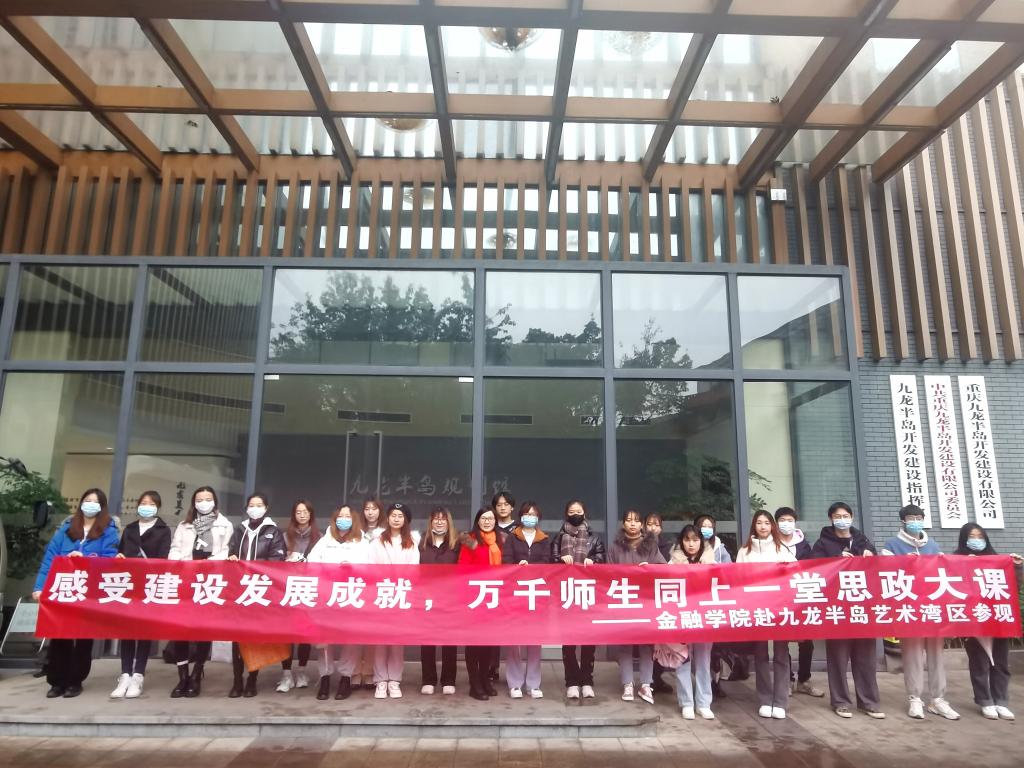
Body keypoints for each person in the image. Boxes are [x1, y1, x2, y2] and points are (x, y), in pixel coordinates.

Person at [33, 488, 120, 699]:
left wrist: (86, 560)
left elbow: (110, 560)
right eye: (87, 500)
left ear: (102, 506)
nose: (90, 504)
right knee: (59, 634)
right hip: (63, 587)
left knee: (83, 636)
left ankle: (75, 680)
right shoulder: (66, 528)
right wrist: (39, 587)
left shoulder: (108, 530)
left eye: (95, 501)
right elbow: (50, 558)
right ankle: (56, 681)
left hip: (89, 590)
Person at [880, 504, 960, 721]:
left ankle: (938, 699)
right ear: (903, 521)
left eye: (919, 517)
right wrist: (904, 564)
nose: (915, 521)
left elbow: (943, 572)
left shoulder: (932, 545)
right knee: (912, 655)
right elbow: (885, 573)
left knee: (936, 655)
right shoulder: (892, 545)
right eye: (911, 518)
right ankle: (914, 698)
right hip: (908, 609)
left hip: (932, 608)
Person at [811, 501, 885, 719]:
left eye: (845, 516)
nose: (842, 519)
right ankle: (841, 701)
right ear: (831, 519)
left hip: (863, 608)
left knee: (866, 659)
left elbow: (878, 570)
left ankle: (869, 702)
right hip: (837, 609)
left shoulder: (863, 541)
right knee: (838, 658)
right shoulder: (823, 543)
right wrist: (836, 561)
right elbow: (813, 568)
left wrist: (871, 558)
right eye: (837, 516)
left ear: (851, 517)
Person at [167, 486, 234, 698]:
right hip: (186, 580)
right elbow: (175, 548)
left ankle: (197, 674)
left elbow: (226, 551)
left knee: (204, 629)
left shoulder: (224, 524)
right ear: (194, 503)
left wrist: (209, 563)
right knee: (180, 629)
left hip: (209, 582)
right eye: (200, 499)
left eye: (208, 499)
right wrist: (179, 562)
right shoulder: (184, 525)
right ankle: (182, 676)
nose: (204, 503)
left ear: (214, 502)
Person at [953, 522, 1023, 721]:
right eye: (972, 537)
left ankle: (1001, 701)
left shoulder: (995, 558)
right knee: (979, 662)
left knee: (1000, 661)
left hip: (997, 618)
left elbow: (1013, 586)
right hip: (974, 619)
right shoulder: (956, 558)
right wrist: (964, 565)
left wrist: (1017, 567)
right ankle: (985, 700)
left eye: (980, 536)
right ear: (964, 539)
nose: (976, 540)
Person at [111, 490, 171, 699]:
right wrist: (120, 558)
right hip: (128, 584)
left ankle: (138, 674)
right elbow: (120, 552)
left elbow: (163, 559)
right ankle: (125, 674)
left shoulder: (163, 530)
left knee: (144, 629)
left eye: (151, 503)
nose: (147, 506)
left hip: (148, 585)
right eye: (144, 503)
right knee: (127, 630)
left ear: (158, 507)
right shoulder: (130, 528)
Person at [306, 504, 370, 700]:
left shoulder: (362, 541)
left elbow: (370, 567)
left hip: (351, 595)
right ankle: (325, 677)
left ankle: (345, 678)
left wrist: (353, 568)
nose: (344, 519)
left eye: (347, 516)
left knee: (350, 637)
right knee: (324, 639)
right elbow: (311, 563)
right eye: (340, 516)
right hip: (327, 595)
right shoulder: (325, 540)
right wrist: (327, 570)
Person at [227, 493, 287, 698]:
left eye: (259, 505)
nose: (255, 508)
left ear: (266, 508)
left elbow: (278, 560)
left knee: (254, 637)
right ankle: (237, 680)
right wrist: (232, 558)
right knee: (237, 637)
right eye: (251, 505)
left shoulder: (273, 531)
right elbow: (231, 551)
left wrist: (257, 569)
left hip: (260, 590)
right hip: (239, 589)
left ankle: (252, 679)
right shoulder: (240, 529)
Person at [736, 510, 795, 719]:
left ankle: (780, 701)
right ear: (754, 525)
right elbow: (737, 579)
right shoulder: (744, 551)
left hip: (779, 608)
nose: (763, 526)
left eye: (767, 523)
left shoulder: (782, 549)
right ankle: (765, 698)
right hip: (756, 609)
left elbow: (795, 574)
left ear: (772, 526)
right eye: (759, 523)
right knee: (760, 654)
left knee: (781, 654)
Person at [608, 509, 665, 705]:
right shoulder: (615, 547)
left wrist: (650, 569)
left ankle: (646, 684)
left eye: (636, 521)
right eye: (628, 520)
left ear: (642, 525)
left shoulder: (651, 546)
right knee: (625, 644)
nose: (632, 524)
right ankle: (627, 683)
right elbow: (607, 573)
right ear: (623, 524)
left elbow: (664, 568)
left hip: (646, 600)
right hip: (623, 600)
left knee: (646, 644)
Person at [550, 498, 605, 700]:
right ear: (567, 514)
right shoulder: (558, 538)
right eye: (572, 511)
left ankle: (587, 680)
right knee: (569, 642)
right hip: (566, 595)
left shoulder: (594, 539)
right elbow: (550, 563)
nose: (575, 515)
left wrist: (594, 561)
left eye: (579, 511)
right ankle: (571, 681)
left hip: (588, 595)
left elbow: (603, 560)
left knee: (589, 641)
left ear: (584, 513)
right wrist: (560, 560)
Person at [774, 506, 825, 699]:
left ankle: (804, 680)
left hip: (801, 597)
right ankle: (787, 679)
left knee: (806, 641)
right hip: (779, 598)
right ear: (776, 523)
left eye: (790, 520)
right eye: (782, 520)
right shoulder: (772, 543)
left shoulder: (804, 545)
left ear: (795, 523)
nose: (786, 524)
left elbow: (813, 568)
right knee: (782, 641)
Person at [370, 502, 420, 699]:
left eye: (400, 516)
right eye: (393, 515)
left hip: (401, 594)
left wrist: (400, 581)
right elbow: (371, 566)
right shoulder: (377, 541)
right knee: (380, 640)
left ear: (406, 520)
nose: (396, 519)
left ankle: (394, 680)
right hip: (381, 594)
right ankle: (380, 680)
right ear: (388, 518)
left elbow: (414, 568)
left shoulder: (412, 542)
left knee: (397, 640)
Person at [501, 501, 549, 699]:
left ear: (538, 518)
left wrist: (533, 567)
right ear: (521, 517)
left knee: (534, 640)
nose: (530, 517)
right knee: (514, 639)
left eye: (533, 514)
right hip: (515, 593)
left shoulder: (544, 539)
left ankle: (533, 684)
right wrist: (517, 566)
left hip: (536, 594)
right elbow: (506, 561)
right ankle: (514, 683)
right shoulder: (513, 538)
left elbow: (547, 562)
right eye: (527, 514)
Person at [458, 506, 504, 700]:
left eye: (490, 518)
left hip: (494, 597)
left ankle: (485, 679)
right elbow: (463, 567)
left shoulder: (500, 540)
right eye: (483, 518)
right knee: (474, 643)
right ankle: (474, 683)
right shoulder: (470, 540)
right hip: (475, 597)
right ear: (478, 521)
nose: (487, 522)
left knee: (489, 643)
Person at [668, 524, 715, 720]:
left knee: (703, 661)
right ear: (681, 542)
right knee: (683, 660)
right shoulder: (672, 562)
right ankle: (686, 702)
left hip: (704, 618)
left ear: (701, 542)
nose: (691, 544)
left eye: (695, 540)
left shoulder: (712, 562)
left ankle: (704, 703)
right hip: (682, 617)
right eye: (687, 540)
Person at [276, 499, 321, 693]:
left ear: (311, 514)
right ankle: (286, 674)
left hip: (309, 589)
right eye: (298, 512)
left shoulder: (319, 537)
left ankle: (302, 671)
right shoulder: (285, 536)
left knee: (304, 634)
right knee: (286, 634)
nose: (302, 515)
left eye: (305, 512)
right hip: (287, 589)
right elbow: (276, 561)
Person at [419, 506, 461, 696]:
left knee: (449, 640)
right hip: (426, 598)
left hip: (450, 598)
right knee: (427, 640)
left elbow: (471, 559)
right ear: (430, 522)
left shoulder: (457, 542)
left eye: (443, 519)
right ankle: (428, 679)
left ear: (448, 522)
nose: (439, 522)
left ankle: (448, 680)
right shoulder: (421, 542)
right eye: (436, 519)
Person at [356, 497, 386, 689]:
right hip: (357, 586)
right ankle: (354, 672)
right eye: (367, 508)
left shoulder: (385, 532)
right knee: (356, 630)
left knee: (372, 631)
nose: (370, 512)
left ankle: (369, 672)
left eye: (374, 509)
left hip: (376, 586)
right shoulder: (356, 530)